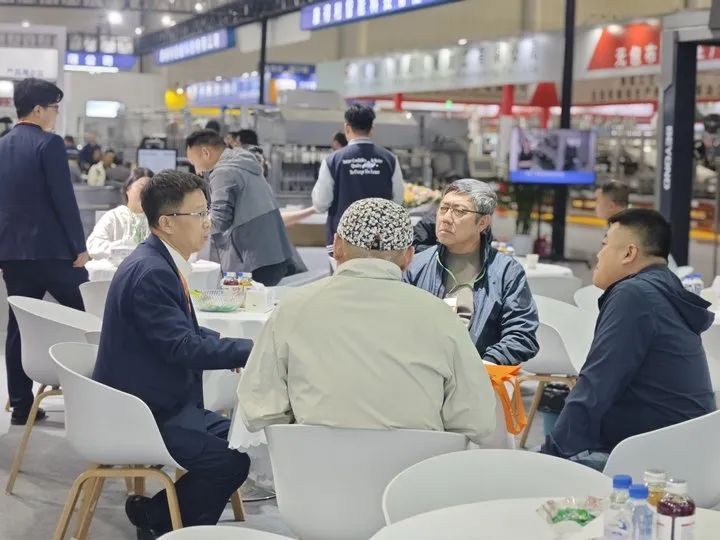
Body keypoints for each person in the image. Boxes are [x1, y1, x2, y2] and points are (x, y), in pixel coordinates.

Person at [238, 198, 496, 443]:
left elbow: (259, 408)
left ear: (337, 246)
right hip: (414, 472)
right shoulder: (441, 316)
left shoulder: (293, 308)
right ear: (409, 256)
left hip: (313, 470)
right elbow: (478, 419)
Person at [92, 170, 252, 538]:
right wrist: (247, 351)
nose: (207, 222)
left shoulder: (158, 260)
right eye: (198, 213)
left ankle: (154, 515)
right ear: (166, 222)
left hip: (158, 401)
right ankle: (166, 525)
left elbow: (181, 333)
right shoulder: (152, 272)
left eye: (207, 211)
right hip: (144, 412)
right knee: (229, 461)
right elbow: (182, 347)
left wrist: (234, 350)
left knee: (241, 440)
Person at [541, 209, 716, 470]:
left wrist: (550, 457)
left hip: (651, 463)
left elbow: (596, 384)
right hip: (689, 453)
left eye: (604, 245)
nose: (598, 255)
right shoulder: (663, 288)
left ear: (628, 253)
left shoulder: (634, 296)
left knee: (523, 473)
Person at [0, 78, 89, 425]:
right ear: (38, 109)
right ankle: (102, 395)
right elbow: (63, 199)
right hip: (54, 253)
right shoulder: (49, 144)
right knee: (94, 319)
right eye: (54, 108)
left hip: (13, 255)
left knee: (19, 327)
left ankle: (21, 406)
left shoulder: (2, 144)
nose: (56, 114)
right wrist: (79, 247)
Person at [404, 179, 539, 365]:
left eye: (459, 211)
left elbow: (521, 333)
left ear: (482, 223)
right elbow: (397, 324)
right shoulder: (415, 266)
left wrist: (488, 363)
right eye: (443, 208)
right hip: (423, 370)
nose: (445, 218)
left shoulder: (506, 272)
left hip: (481, 371)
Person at [185, 129, 297, 285]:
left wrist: (188, 227)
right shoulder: (244, 163)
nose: (196, 170)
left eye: (193, 161)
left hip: (256, 259)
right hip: (274, 255)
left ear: (205, 152)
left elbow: (219, 221)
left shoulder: (223, 172)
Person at [312, 103, 405, 243]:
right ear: (372, 129)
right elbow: (398, 201)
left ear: (347, 128)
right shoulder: (389, 159)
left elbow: (321, 203)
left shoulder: (333, 160)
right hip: (378, 240)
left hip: (342, 240)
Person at [87, 168, 154, 259]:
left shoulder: (156, 220)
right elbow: (94, 245)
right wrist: (123, 248)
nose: (146, 193)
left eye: (150, 190)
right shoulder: (113, 217)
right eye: (142, 187)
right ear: (127, 189)